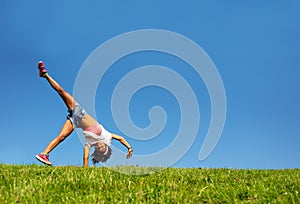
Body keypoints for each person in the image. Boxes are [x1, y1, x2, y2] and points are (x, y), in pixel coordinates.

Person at [35, 61, 133, 167]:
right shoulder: (107, 136)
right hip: (79, 112)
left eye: (98, 149)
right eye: (102, 148)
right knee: (61, 91)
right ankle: (44, 75)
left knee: (62, 137)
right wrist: (129, 148)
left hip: (74, 121)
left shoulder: (90, 142)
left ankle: (44, 154)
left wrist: (85, 172)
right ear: (106, 147)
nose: (100, 147)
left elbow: (85, 157)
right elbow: (120, 138)